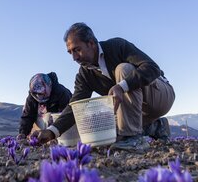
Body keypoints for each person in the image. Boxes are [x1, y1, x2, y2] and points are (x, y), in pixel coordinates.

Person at [32, 23, 175, 150]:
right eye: (70, 52)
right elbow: (75, 106)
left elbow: (152, 68)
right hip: (137, 111)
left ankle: (133, 139)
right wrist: (52, 131)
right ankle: (156, 127)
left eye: (77, 49)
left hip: (160, 95)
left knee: (123, 69)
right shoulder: (85, 74)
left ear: (92, 43)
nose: (74, 57)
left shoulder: (117, 46)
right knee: (110, 134)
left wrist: (122, 86)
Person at [17, 72, 72, 140]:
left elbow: (67, 115)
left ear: (49, 87)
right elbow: (28, 116)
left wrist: (53, 132)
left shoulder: (62, 92)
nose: (38, 96)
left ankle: (55, 139)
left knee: (50, 117)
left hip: (60, 121)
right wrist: (23, 133)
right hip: (43, 122)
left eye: (41, 94)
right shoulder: (31, 97)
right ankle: (38, 137)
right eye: (36, 94)